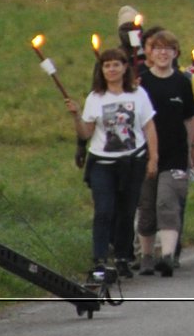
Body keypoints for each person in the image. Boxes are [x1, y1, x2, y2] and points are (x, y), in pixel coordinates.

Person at [65, 48, 157, 281]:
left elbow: (149, 127)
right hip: (102, 163)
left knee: (126, 212)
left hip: (132, 160)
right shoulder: (95, 98)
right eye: (107, 66)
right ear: (101, 70)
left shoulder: (138, 95)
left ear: (125, 67)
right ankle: (99, 259)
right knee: (104, 210)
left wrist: (153, 158)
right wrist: (76, 116)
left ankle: (123, 258)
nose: (112, 69)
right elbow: (86, 132)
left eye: (116, 65)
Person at [135, 30, 194, 277]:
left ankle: (169, 255)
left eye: (168, 49)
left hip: (175, 154)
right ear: (149, 53)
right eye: (157, 48)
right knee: (147, 207)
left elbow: (189, 118)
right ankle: (147, 256)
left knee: (167, 203)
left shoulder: (183, 82)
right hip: (145, 154)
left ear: (175, 53)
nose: (162, 53)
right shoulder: (141, 82)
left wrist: (193, 148)